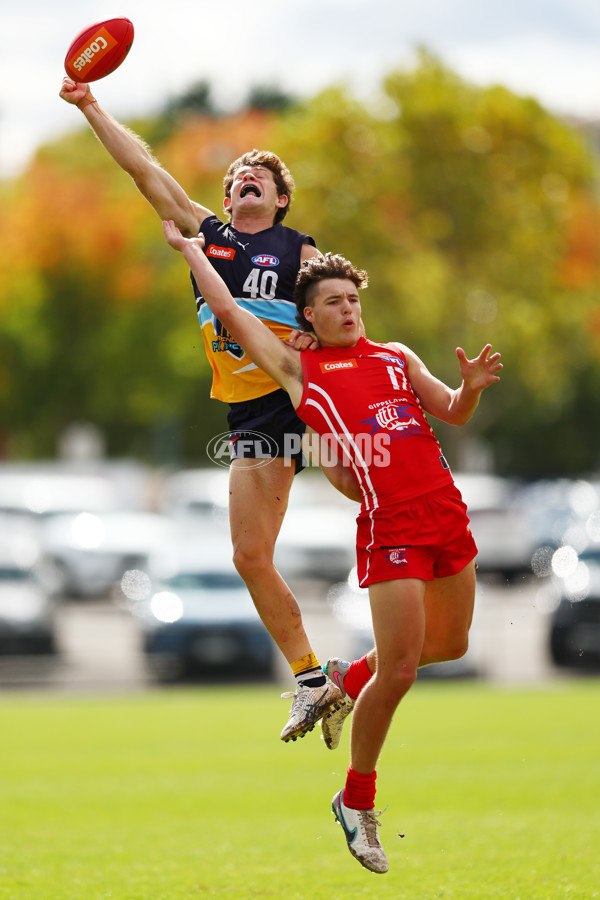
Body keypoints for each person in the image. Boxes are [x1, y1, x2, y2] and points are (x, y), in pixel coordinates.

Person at [161, 219, 502, 874]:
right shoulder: (301, 370)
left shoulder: (395, 356)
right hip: (390, 526)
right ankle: (357, 801)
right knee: (400, 670)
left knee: (451, 645)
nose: (348, 309)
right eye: (335, 302)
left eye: (354, 299)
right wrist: (193, 254)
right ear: (309, 317)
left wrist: (470, 390)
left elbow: (451, 412)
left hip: (446, 516)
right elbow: (230, 310)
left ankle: (347, 678)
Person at [59, 76, 348, 742]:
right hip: (250, 415)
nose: (248, 177)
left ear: (279, 200)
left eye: (261, 176)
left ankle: (426, 563)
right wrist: (89, 105)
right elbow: (143, 169)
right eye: (238, 175)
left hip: (301, 391)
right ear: (225, 199)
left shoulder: (299, 249)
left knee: (361, 487)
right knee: (250, 556)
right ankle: (314, 679)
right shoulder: (206, 235)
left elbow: (345, 308)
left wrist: (322, 334)